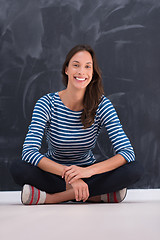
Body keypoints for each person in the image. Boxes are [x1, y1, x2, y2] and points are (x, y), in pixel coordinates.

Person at [10, 44, 142, 205]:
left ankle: (52, 198)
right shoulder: (46, 103)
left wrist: (86, 172)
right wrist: (72, 178)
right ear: (66, 69)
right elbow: (29, 152)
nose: (81, 72)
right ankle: (98, 196)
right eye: (76, 65)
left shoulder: (102, 105)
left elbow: (127, 153)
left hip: (89, 173)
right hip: (54, 172)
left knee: (134, 169)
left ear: (92, 73)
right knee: (18, 168)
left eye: (88, 66)